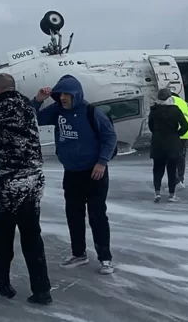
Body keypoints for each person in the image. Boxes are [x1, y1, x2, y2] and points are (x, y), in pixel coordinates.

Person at [0, 73, 52, 304]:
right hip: (34, 178)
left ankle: (2, 282)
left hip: (9, 180)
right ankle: (42, 289)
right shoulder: (26, 103)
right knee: (32, 235)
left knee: (3, 234)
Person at [31, 74, 118, 275]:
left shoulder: (91, 112)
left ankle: (105, 258)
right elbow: (32, 118)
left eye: (66, 94)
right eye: (60, 94)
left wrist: (102, 162)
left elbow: (110, 136)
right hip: (71, 173)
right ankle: (79, 253)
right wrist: (37, 101)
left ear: (76, 95)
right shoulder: (57, 111)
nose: (62, 98)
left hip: (94, 173)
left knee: (97, 216)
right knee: (74, 215)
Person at [148, 88, 188, 202]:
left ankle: (157, 193)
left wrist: (157, 133)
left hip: (157, 143)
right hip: (172, 143)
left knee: (157, 169)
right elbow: (185, 125)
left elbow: (150, 125)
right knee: (172, 170)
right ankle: (172, 195)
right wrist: (177, 134)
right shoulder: (175, 110)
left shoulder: (154, 110)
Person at [171, 91, 188, 189]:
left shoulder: (171, 103)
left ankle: (175, 181)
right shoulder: (187, 105)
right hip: (185, 135)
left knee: (171, 159)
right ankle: (181, 179)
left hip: (173, 135)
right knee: (181, 159)